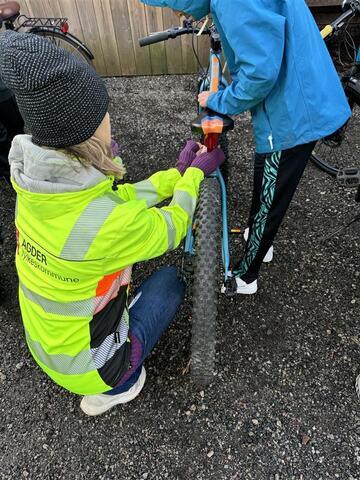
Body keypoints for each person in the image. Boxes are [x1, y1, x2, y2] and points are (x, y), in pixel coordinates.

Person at [0, 30, 224, 416]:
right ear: (85, 134)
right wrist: (195, 177)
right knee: (171, 282)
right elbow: (172, 225)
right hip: (97, 371)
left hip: (46, 351)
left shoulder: (36, 192)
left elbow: (115, 201)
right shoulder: (107, 225)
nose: (111, 123)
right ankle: (120, 387)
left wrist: (175, 173)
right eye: (105, 117)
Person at [140, 0, 351, 294]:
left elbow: (260, 73)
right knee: (269, 182)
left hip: (293, 111)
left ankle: (246, 276)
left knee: (270, 191)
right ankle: (258, 237)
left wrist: (219, 101)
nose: (181, 14)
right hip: (302, 91)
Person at [0, 78, 24, 182]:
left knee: (17, 132)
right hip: (5, 93)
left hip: (4, 93)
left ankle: (22, 168)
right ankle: (10, 174)